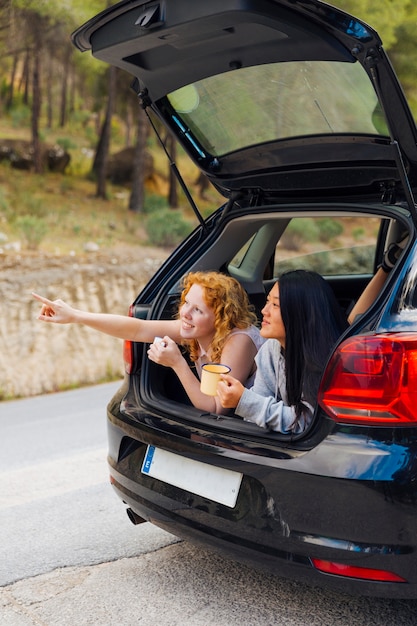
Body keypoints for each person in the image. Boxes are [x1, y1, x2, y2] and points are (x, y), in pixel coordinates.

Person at [32, 271, 264, 415]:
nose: (185, 314)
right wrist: (76, 316)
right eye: (186, 303)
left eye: (198, 310)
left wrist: (177, 364)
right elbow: (137, 328)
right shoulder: (196, 330)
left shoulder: (238, 342)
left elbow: (217, 409)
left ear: (221, 318)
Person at [217, 269, 348, 434]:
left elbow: (308, 423)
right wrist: (245, 402)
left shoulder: (331, 359)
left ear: (300, 312)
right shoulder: (270, 350)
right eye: (267, 301)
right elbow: (254, 416)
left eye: (275, 305)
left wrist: (244, 401)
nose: (264, 311)